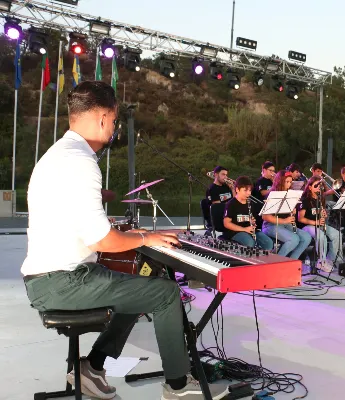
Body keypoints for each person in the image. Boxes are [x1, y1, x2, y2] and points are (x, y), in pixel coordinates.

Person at [21, 81, 224, 399]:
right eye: (114, 121)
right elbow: (103, 241)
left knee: (140, 282)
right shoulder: (80, 160)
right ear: (103, 117)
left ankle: (93, 367)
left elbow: (80, 223)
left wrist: (128, 233)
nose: (114, 128)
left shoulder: (59, 153)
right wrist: (147, 236)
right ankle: (178, 387)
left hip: (50, 277)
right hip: (62, 281)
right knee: (167, 293)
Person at [262, 170, 312, 259]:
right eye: (287, 182)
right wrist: (284, 220)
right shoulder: (271, 194)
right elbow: (265, 217)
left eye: (290, 182)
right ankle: (277, 262)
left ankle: (292, 261)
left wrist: (292, 211)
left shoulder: (290, 194)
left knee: (307, 237)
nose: (289, 184)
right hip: (271, 225)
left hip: (286, 224)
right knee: (294, 239)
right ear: (280, 182)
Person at [297, 176, 343, 270]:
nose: (318, 188)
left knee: (337, 234)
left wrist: (324, 215)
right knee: (321, 235)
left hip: (319, 224)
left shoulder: (320, 198)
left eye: (319, 186)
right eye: (316, 186)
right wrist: (315, 222)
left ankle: (333, 259)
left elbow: (321, 214)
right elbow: (300, 219)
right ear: (309, 187)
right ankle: (321, 262)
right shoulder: (305, 200)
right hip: (307, 226)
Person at [223, 176, 274, 250]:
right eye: (245, 190)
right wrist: (244, 229)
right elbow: (226, 223)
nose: (248, 193)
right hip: (235, 232)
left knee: (268, 243)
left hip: (249, 230)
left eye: (250, 191)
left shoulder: (250, 203)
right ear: (237, 189)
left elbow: (252, 219)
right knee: (250, 243)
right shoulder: (231, 204)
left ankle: (261, 260)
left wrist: (252, 222)